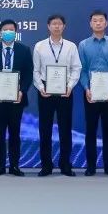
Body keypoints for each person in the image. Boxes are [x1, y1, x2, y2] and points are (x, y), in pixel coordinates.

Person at [0, 19, 33, 176]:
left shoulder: (24, 50)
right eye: (5, 30)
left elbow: (28, 73)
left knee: (15, 134)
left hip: (17, 99)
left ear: (16, 32)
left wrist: (22, 91)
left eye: (11, 30)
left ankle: (14, 166)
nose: (8, 32)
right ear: (0, 32)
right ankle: (0, 166)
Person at [32, 13, 81, 176]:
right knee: (45, 129)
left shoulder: (71, 46)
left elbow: (76, 68)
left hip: (65, 91)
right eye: (53, 24)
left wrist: (70, 86)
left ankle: (65, 164)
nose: (57, 26)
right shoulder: (39, 46)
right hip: (45, 90)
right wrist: (41, 87)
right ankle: (46, 165)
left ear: (64, 26)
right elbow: (35, 70)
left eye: (59, 24)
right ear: (48, 26)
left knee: (65, 129)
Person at [78, 9, 108, 176]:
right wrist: (86, 88)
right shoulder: (83, 45)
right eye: (95, 20)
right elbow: (82, 70)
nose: (98, 23)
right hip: (91, 94)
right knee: (90, 130)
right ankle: (91, 166)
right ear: (90, 24)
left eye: (101, 20)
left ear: (106, 23)